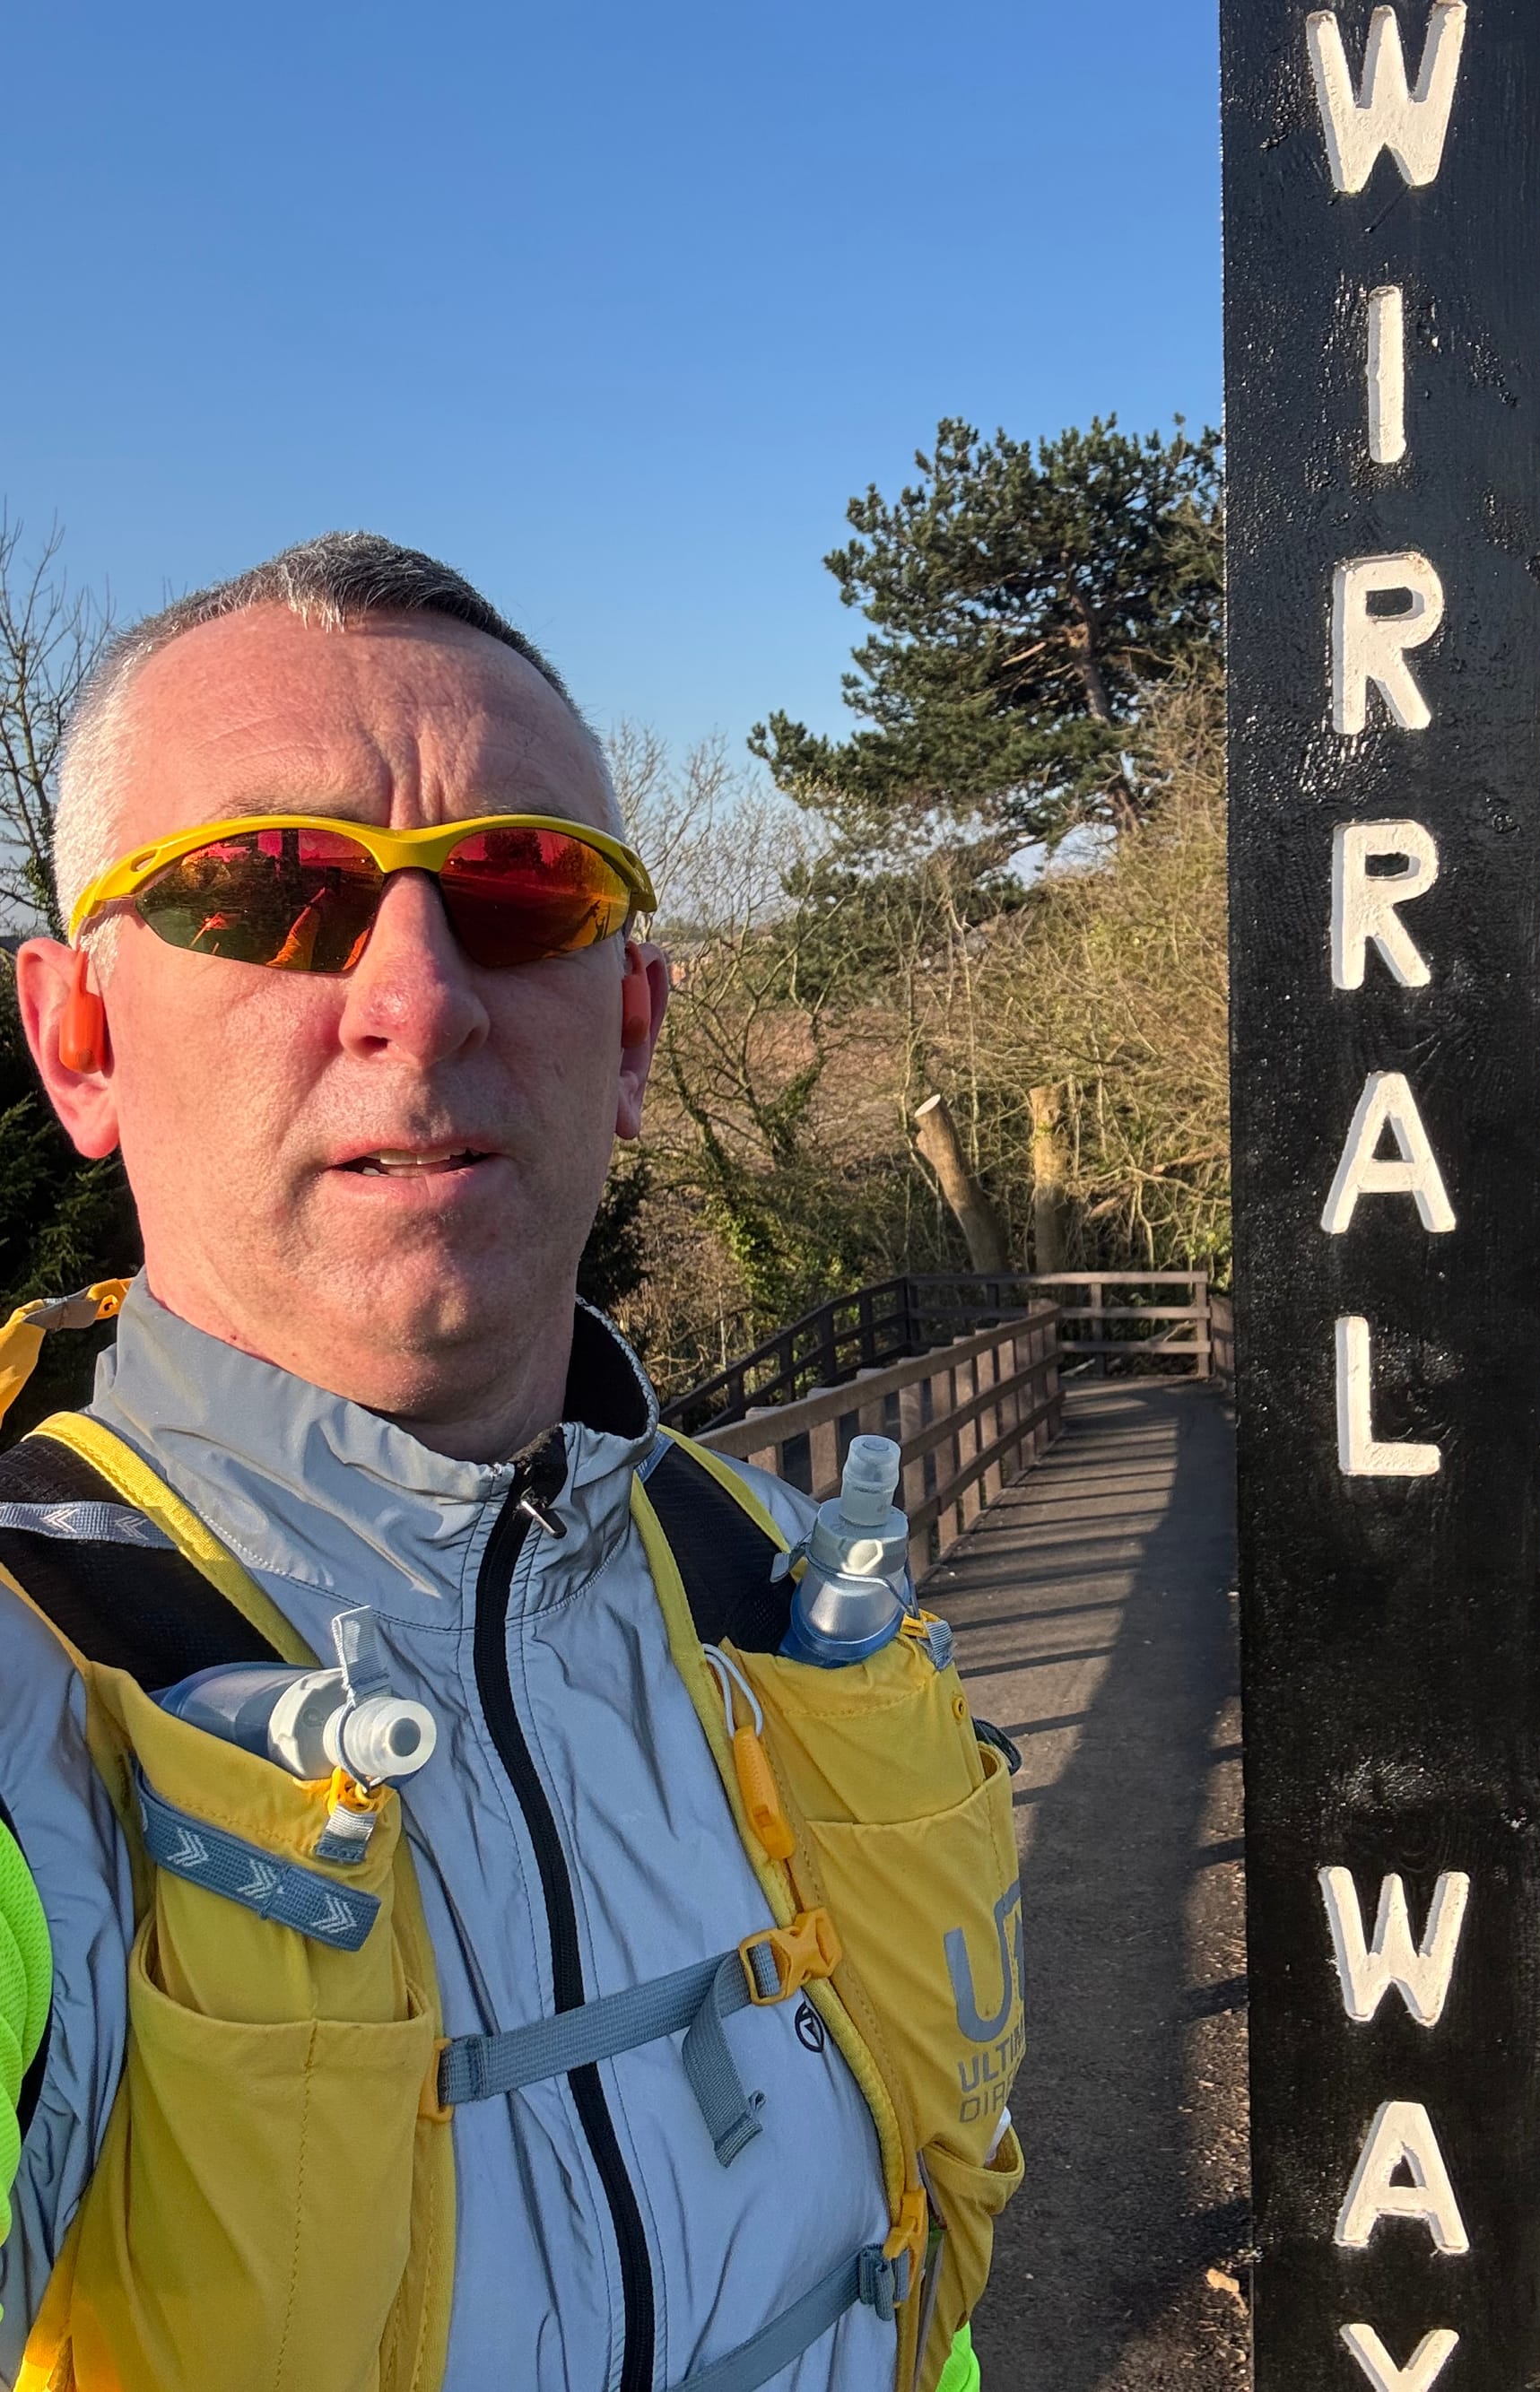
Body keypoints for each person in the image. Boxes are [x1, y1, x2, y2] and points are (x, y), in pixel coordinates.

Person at [0, 535, 1022, 2392]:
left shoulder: (787, 1591)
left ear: (630, 1029)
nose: (417, 995)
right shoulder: (32, 1679)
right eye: (267, 888)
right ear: (78, 1038)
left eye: (524, 893)